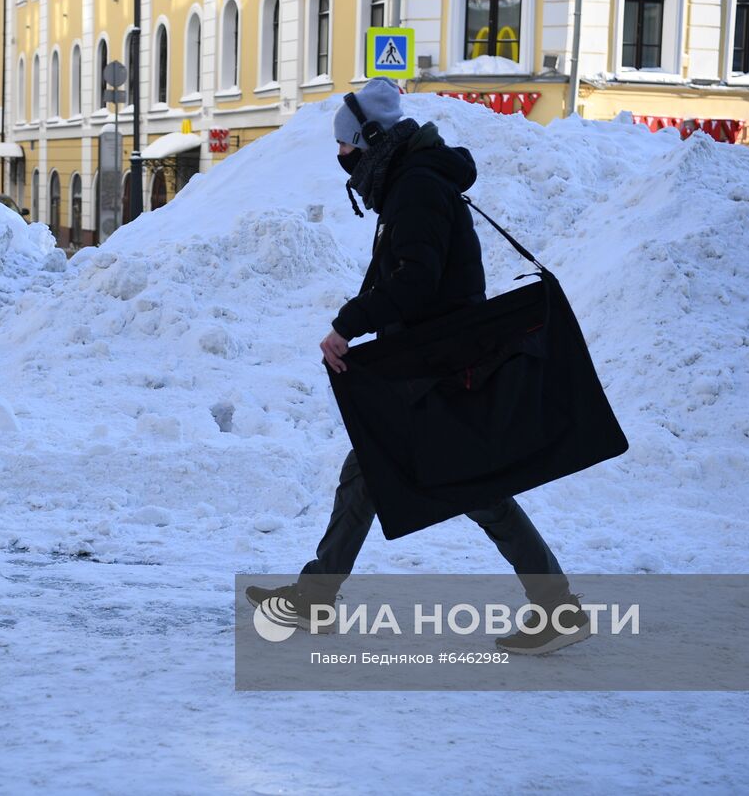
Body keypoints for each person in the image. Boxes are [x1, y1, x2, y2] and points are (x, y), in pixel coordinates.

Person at [246, 79, 588, 655]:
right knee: (372, 470)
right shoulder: (412, 180)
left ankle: (557, 607)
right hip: (430, 359)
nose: (340, 157)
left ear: (373, 140)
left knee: (476, 488)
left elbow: (414, 279)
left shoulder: (418, 186)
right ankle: (318, 595)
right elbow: (406, 275)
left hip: (440, 365)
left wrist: (349, 323)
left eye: (346, 146)